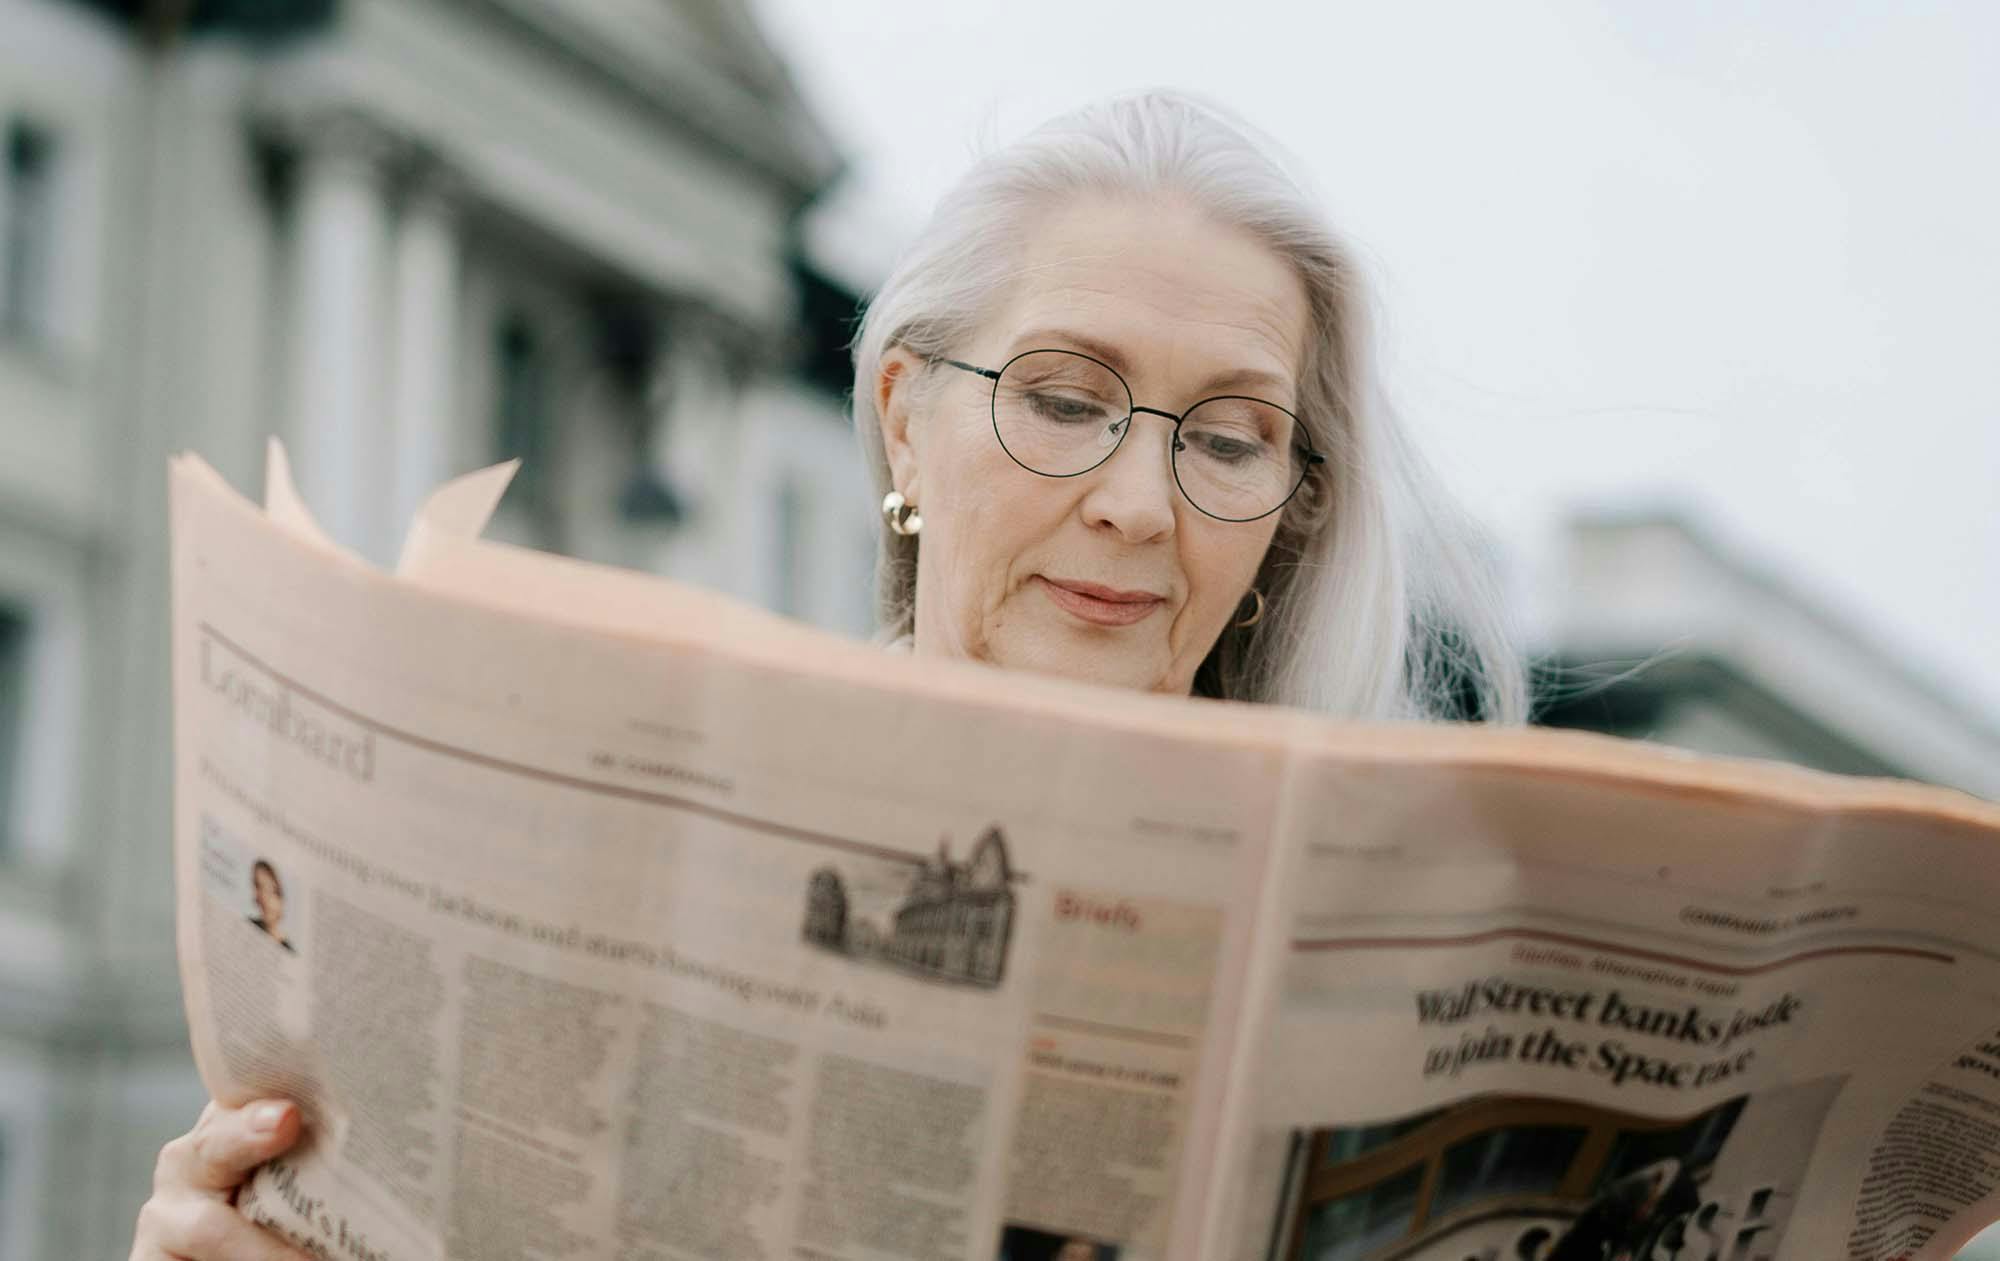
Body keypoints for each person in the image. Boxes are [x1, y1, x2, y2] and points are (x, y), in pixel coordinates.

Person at [129, 88, 1526, 1260]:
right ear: (906, 424)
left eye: (1229, 437)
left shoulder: (1381, 962)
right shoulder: (633, 845)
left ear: (1292, 503)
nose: (1140, 503)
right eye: (1060, 400)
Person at [246, 859, 294, 953]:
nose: (259, 896)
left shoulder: (288, 949)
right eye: (257, 886)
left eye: (272, 893)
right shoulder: (250, 924)